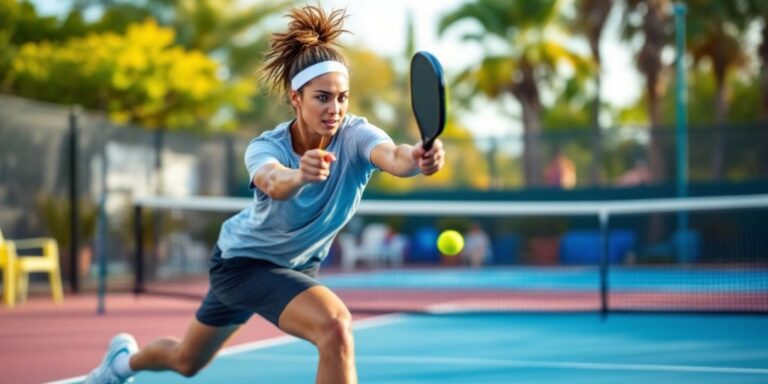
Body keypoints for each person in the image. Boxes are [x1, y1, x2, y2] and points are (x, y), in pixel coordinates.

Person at [84, 5, 445, 384]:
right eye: (322, 97)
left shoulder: (357, 136)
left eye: (342, 98)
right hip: (242, 263)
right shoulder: (265, 146)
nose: (334, 109)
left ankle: (121, 365)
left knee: (189, 360)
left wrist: (418, 156)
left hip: (294, 266)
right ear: (296, 98)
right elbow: (273, 181)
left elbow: (394, 157)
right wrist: (300, 174)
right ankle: (123, 364)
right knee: (332, 327)